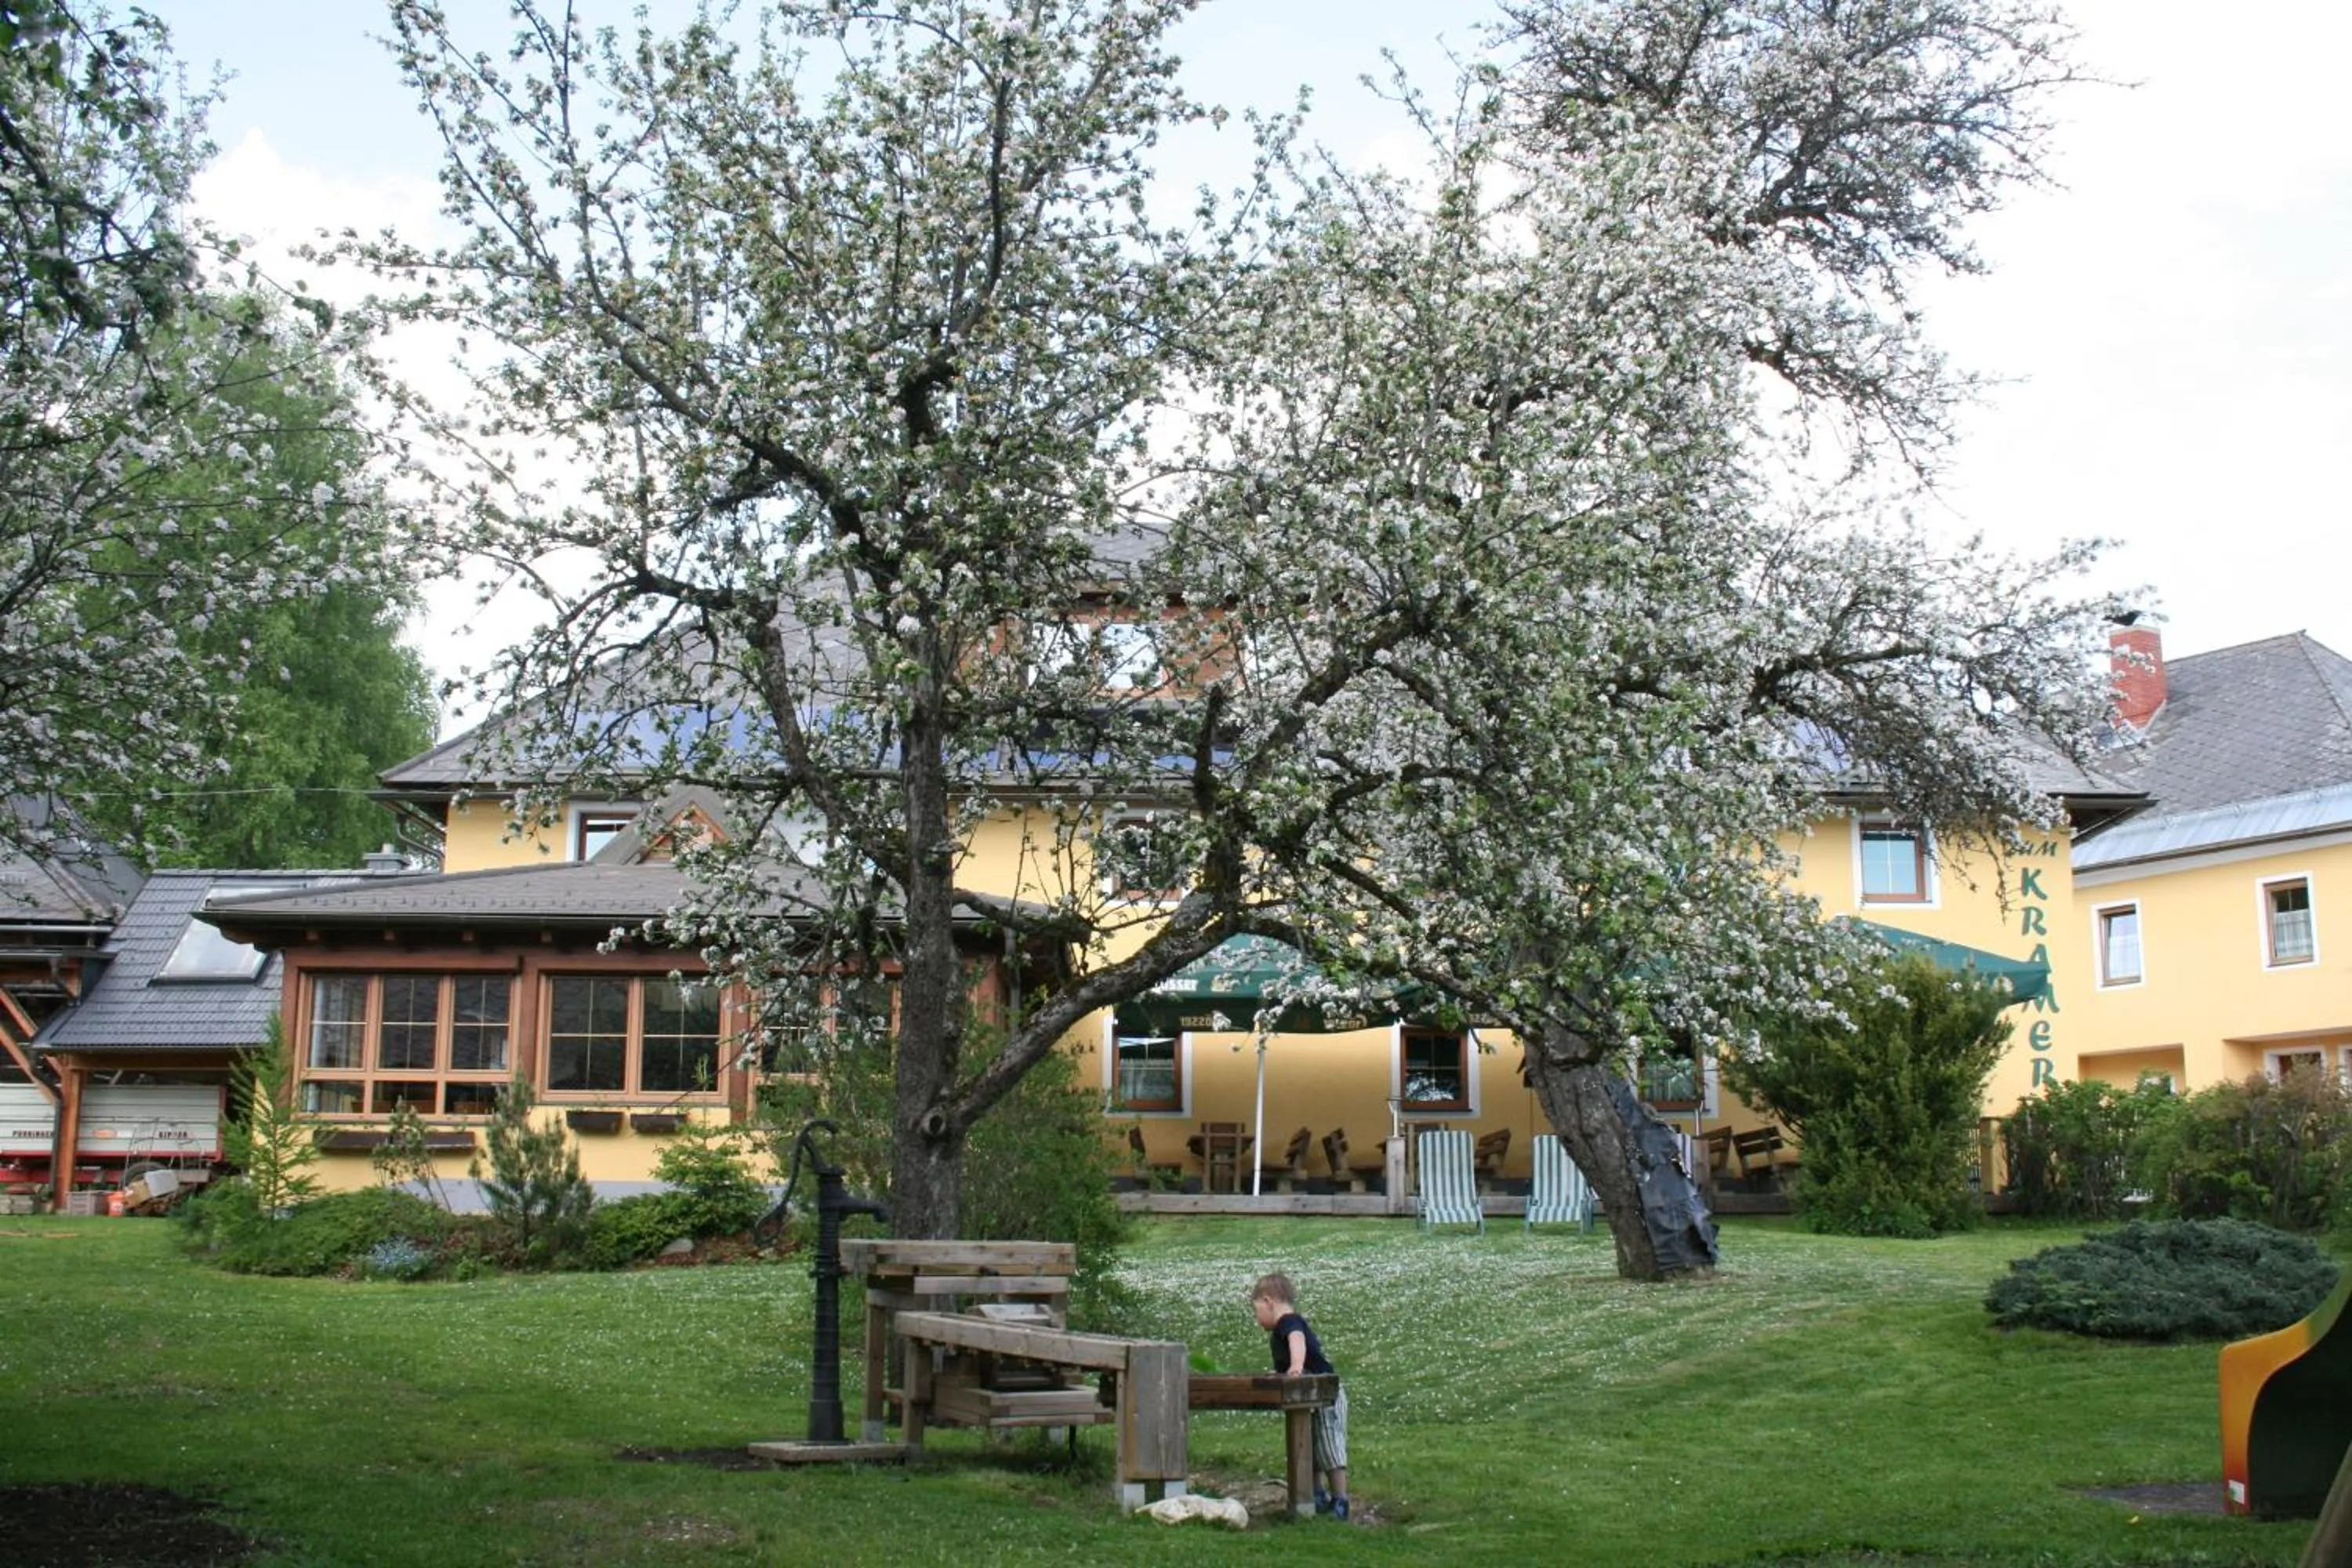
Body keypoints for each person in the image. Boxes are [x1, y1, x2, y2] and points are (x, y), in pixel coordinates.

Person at [1250, 1271, 1348, 1520]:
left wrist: (1295, 1365)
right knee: (1310, 1447)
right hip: (1310, 1397)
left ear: (1268, 1302)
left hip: (1326, 1395)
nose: (1257, 1319)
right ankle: (1315, 1494)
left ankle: (1340, 1500)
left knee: (1329, 1446)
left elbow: (1297, 1340)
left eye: (1256, 1311)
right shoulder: (1280, 1330)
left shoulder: (1289, 1322)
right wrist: (1282, 1372)